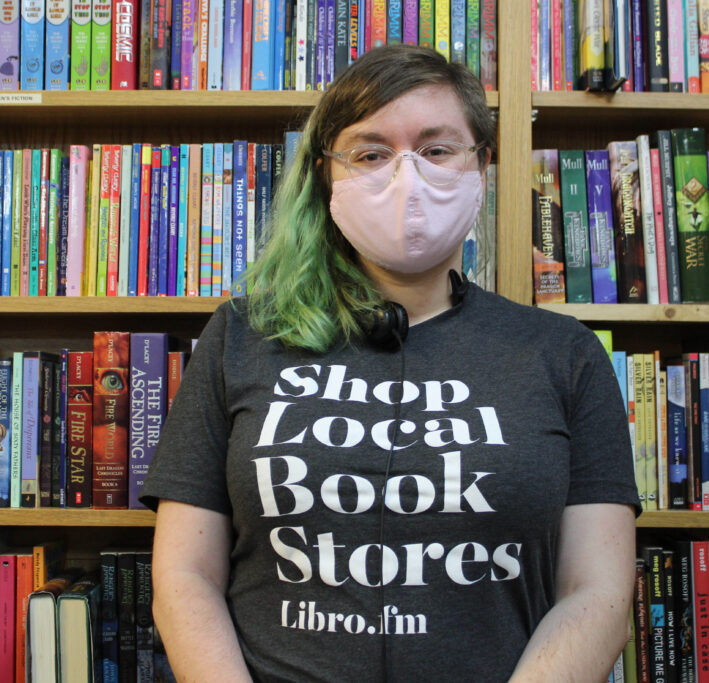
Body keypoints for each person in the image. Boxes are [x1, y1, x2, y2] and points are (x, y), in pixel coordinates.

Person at [140, 44, 640, 682]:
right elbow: (185, 575)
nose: (406, 177)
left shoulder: (565, 354)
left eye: (435, 149)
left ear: (481, 165)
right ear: (327, 176)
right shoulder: (240, 336)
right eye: (370, 153)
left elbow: (596, 593)